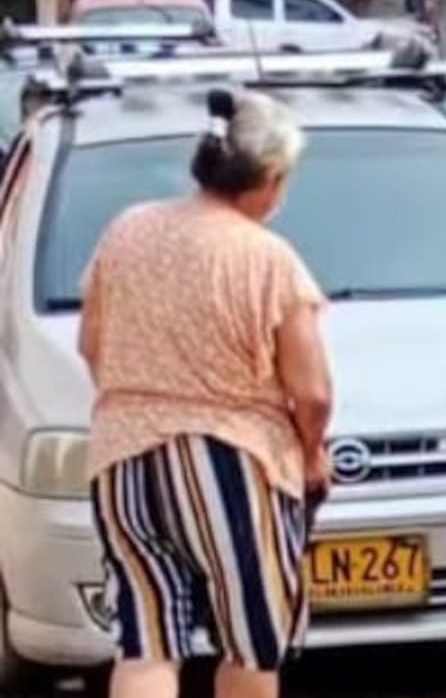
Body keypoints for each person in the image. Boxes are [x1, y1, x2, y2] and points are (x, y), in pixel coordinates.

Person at [78, 88, 333, 698]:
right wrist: (311, 451)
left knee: (146, 642)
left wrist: (144, 403)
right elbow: (312, 391)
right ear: (270, 179)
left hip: (124, 460)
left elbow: (92, 345)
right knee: (250, 643)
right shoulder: (267, 258)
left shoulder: (127, 231)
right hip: (234, 462)